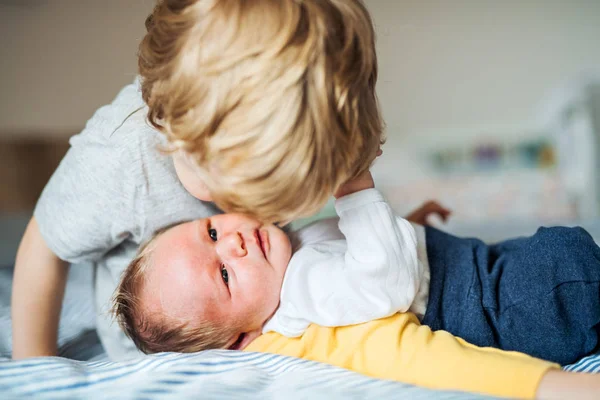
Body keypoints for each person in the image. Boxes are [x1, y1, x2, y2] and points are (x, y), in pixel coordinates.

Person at [11, 0, 384, 361]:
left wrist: (383, 226)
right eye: (237, 194)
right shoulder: (122, 157)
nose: (247, 221)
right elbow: (45, 244)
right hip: (155, 357)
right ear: (169, 125)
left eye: (273, 201)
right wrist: (36, 367)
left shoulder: (308, 133)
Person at [112, 171, 600, 399]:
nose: (234, 244)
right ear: (241, 339)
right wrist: (355, 188)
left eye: (212, 232)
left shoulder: (288, 256)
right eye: (223, 275)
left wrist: (408, 224)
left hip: (482, 273)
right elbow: (383, 280)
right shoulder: (302, 292)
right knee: (570, 267)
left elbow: (357, 252)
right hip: (499, 303)